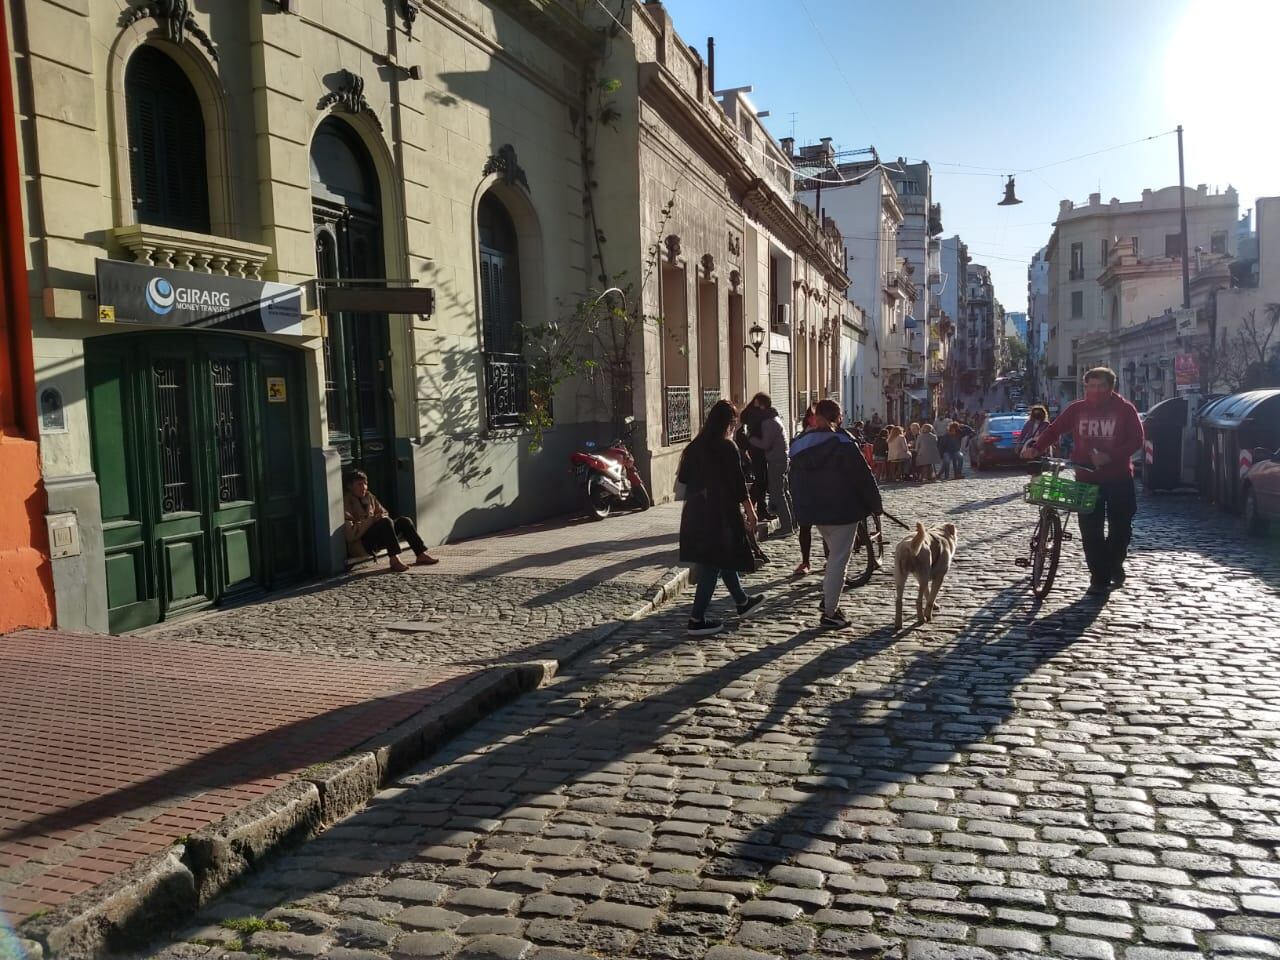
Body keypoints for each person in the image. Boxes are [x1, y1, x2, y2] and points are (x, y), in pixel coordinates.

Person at [1020, 367, 1143, 597]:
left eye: (1101, 386)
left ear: (1111, 387)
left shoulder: (1125, 410)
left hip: (1118, 478)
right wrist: (1037, 447)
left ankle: (1114, 563)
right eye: (1091, 386)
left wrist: (1110, 456)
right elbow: (1054, 430)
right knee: (1090, 531)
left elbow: (1137, 440)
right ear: (1085, 387)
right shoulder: (1077, 409)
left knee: (1120, 528)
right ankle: (1099, 578)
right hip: (1086, 478)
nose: (1095, 391)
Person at [789, 399, 884, 628]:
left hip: (815, 510)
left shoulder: (800, 444)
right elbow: (863, 476)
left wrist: (802, 509)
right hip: (843, 509)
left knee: (834, 557)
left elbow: (793, 481)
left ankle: (829, 599)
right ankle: (830, 612)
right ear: (838, 417)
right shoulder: (843, 443)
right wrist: (875, 505)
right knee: (838, 561)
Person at [678, 400, 766, 636]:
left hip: (696, 511)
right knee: (712, 564)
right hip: (720, 513)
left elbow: (684, 477)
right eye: (734, 423)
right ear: (729, 423)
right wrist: (751, 511)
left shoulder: (695, 446)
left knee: (722, 557)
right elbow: (738, 484)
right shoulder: (727, 447)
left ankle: (742, 601)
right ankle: (696, 619)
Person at [343, 470, 438, 572]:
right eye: (359, 484)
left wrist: (380, 518)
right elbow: (350, 534)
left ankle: (421, 554)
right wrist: (372, 520)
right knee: (385, 522)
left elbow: (384, 513)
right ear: (350, 486)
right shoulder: (346, 502)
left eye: (365, 484)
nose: (364, 487)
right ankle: (394, 559)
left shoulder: (369, 497)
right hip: (362, 544)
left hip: (378, 538)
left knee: (404, 521)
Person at [746, 393, 794, 535]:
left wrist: (751, 439)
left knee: (777, 493)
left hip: (776, 460)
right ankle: (792, 522)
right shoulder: (775, 417)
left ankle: (786, 527)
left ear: (761, 405)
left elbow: (765, 444)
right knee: (784, 492)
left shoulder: (768, 422)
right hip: (782, 458)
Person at [740, 400, 769, 519]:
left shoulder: (753, 413)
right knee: (760, 481)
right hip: (757, 451)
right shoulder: (754, 414)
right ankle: (755, 509)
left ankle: (760, 509)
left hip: (758, 450)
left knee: (761, 481)